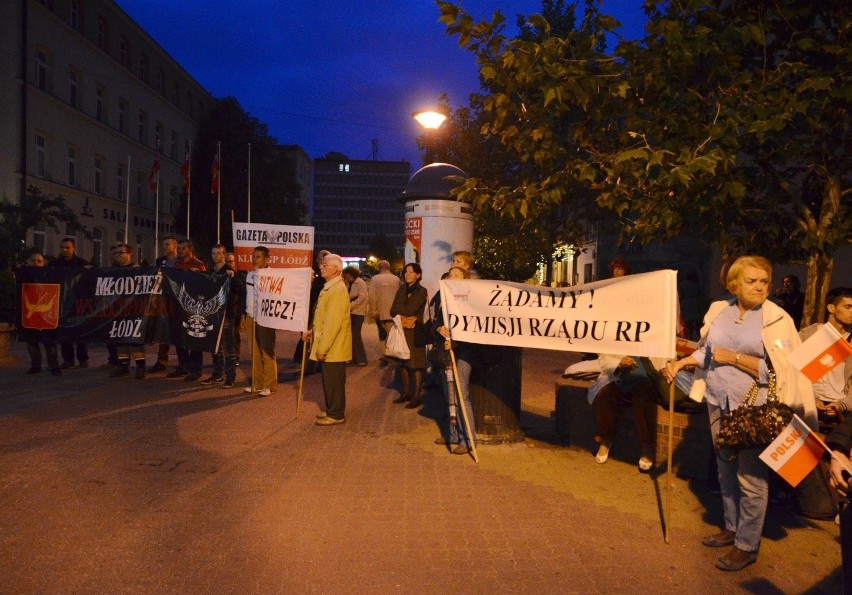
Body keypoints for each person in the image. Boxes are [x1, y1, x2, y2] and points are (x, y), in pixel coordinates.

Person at [664, 255, 816, 572]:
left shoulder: (777, 319)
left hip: (755, 409)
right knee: (725, 472)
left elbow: (782, 369)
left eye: (764, 281)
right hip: (719, 400)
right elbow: (708, 350)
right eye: (752, 281)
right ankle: (731, 528)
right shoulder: (720, 311)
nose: (760, 287)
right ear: (734, 283)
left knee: (751, 479)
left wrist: (733, 358)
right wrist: (681, 363)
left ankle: (747, 545)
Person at [587, 258, 657, 472]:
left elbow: (655, 347)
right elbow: (603, 357)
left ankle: (647, 447)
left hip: (640, 375)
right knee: (604, 397)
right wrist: (619, 362)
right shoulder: (608, 325)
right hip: (617, 376)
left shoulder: (645, 321)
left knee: (643, 399)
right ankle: (605, 440)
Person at [304, 253, 352, 425]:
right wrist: (313, 331)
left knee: (334, 381)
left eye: (325, 265)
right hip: (331, 345)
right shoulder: (331, 287)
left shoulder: (337, 290)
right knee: (329, 380)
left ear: (336, 269)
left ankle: (337, 414)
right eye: (322, 265)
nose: (321, 267)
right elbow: (324, 318)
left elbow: (333, 323)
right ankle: (332, 409)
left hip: (334, 346)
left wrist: (322, 348)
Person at [434, 266, 476, 455]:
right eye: (450, 275)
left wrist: (456, 341)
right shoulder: (442, 299)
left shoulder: (469, 299)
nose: (452, 277)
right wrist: (439, 329)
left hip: (463, 354)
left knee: (461, 395)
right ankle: (453, 434)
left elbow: (473, 327)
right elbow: (434, 322)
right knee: (450, 396)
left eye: (457, 275)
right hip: (446, 354)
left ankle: (468, 438)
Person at [800, 287, 852, 423]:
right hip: (807, 404)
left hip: (840, 406)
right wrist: (812, 398)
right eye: (848, 307)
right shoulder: (809, 334)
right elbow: (794, 373)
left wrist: (842, 404)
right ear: (831, 308)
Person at [201, 244, 242, 388]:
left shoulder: (229, 271)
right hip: (213, 314)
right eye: (213, 253)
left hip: (226, 314)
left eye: (219, 253)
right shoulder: (211, 271)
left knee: (228, 347)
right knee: (215, 347)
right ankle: (217, 374)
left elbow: (240, 291)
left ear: (224, 255)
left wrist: (234, 278)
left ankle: (230, 377)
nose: (216, 256)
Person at [167, 239, 207, 381]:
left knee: (194, 337)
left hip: (193, 307)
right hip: (178, 306)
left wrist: (196, 275)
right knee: (180, 337)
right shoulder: (177, 265)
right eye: (179, 248)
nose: (180, 251)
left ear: (190, 250)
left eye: (183, 248)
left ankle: (196, 369)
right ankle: (183, 366)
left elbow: (204, 285)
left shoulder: (198, 265)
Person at [390, 262, 428, 409]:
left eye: (411, 272)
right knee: (403, 363)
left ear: (418, 275)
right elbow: (393, 309)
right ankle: (406, 393)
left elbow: (412, 309)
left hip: (416, 331)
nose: (407, 274)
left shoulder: (421, 291)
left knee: (416, 365)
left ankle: (416, 396)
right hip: (401, 330)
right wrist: (404, 315)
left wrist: (404, 313)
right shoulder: (401, 289)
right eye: (406, 271)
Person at [107, 243, 147, 379]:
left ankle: (140, 366)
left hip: (133, 310)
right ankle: (123, 366)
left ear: (129, 254)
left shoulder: (136, 269)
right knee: (120, 338)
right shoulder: (110, 270)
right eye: (116, 253)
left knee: (135, 339)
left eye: (121, 252)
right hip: (117, 310)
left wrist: (139, 272)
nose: (118, 255)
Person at [50, 237, 90, 369]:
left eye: (67, 247)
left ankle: (83, 359)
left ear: (74, 248)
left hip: (79, 303)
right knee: (64, 333)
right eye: (62, 247)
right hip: (62, 303)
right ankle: (68, 360)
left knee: (80, 333)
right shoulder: (54, 264)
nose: (64, 250)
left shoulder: (82, 264)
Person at [243, 246, 277, 396]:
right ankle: (256, 383)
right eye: (253, 256)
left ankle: (269, 384)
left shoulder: (273, 275)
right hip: (251, 316)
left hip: (266, 318)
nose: (254, 259)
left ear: (267, 259)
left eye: (258, 257)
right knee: (253, 352)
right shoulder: (249, 275)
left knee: (266, 351)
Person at [22, 252, 61, 376]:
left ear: (43, 263)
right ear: (28, 262)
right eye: (33, 260)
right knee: (32, 342)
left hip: (46, 317)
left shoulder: (51, 275)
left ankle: (54, 367)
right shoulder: (23, 275)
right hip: (30, 316)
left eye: (39, 261)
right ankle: (35, 366)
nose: (36, 263)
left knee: (49, 343)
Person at [149, 235, 178, 373]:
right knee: (163, 328)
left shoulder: (181, 260)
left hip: (178, 299)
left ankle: (184, 361)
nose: (164, 247)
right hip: (164, 299)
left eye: (167, 244)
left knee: (179, 329)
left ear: (174, 246)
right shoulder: (160, 261)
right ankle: (161, 360)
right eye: (163, 245)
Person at [368, 259, 400, 357]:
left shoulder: (375, 279)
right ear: (389, 268)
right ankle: (393, 352)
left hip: (380, 311)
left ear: (379, 268)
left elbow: (372, 296)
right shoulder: (396, 279)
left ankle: (384, 353)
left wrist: (373, 310)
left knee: (382, 333)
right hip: (394, 312)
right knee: (392, 333)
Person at [343, 265, 368, 366]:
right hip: (351, 311)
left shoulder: (360, 282)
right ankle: (353, 358)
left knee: (356, 335)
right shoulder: (350, 283)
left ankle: (361, 358)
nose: (346, 278)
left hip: (357, 312)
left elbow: (362, 297)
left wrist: (350, 306)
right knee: (351, 336)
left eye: (347, 276)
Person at [225, 252, 244, 366]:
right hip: (225, 310)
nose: (229, 263)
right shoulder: (222, 274)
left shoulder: (240, 276)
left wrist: (242, 314)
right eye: (227, 261)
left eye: (231, 261)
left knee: (235, 335)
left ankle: (235, 357)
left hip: (236, 310)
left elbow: (242, 294)